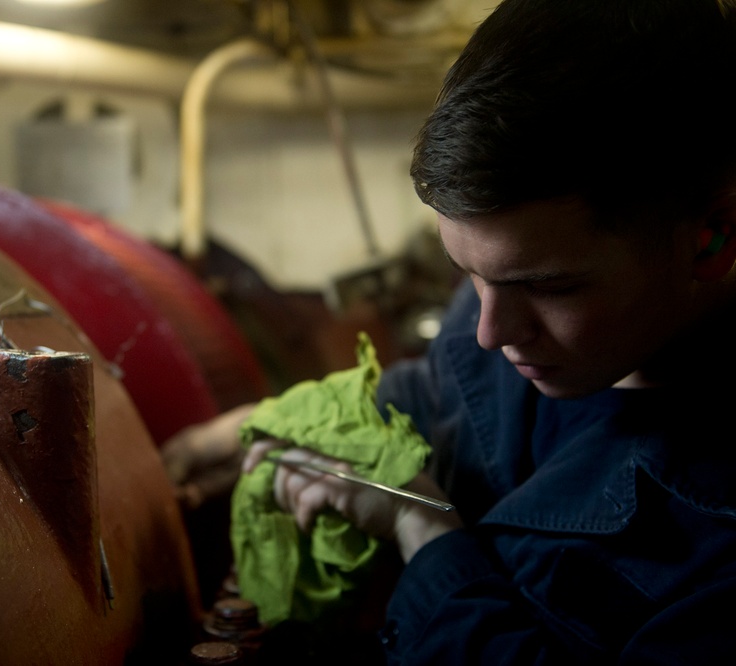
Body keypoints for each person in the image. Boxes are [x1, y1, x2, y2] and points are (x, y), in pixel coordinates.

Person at [161, 0, 736, 662]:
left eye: (547, 287)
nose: (492, 331)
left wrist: (422, 529)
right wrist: (282, 422)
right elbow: (440, 400)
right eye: (470, 274)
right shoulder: (516, 317)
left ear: (710, 239)